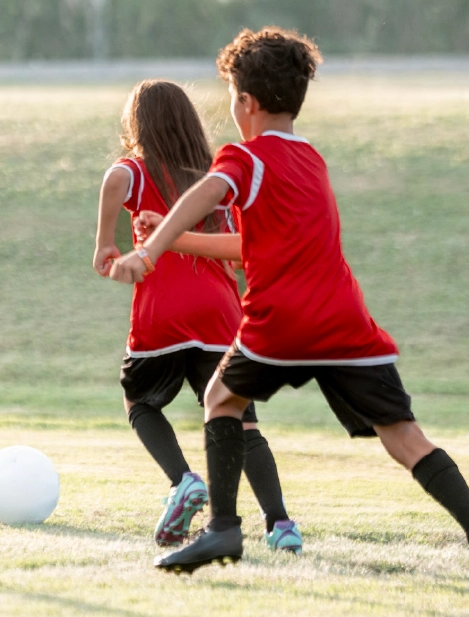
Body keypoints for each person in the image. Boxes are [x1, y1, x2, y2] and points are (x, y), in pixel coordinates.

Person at [107, 27, 469, 591]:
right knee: (403, 435)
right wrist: (175, 241)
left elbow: (208, 193)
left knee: (219, 399)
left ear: (245, 102)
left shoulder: (245, 158)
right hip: (346, 322)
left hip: (280, 320)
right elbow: (249, 245)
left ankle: (224, 529)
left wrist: (149, 249)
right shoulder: (312, 161)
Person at [93, 79, 300, 553]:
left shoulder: (135, 172)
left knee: (140, 403)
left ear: (136, 124)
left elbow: (115, 186)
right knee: (243, 424)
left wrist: (107, 246)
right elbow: (241, 254)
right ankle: (282, 525)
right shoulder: (214, 179)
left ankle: (183, 480)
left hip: (161, 313)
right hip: (221, 316)